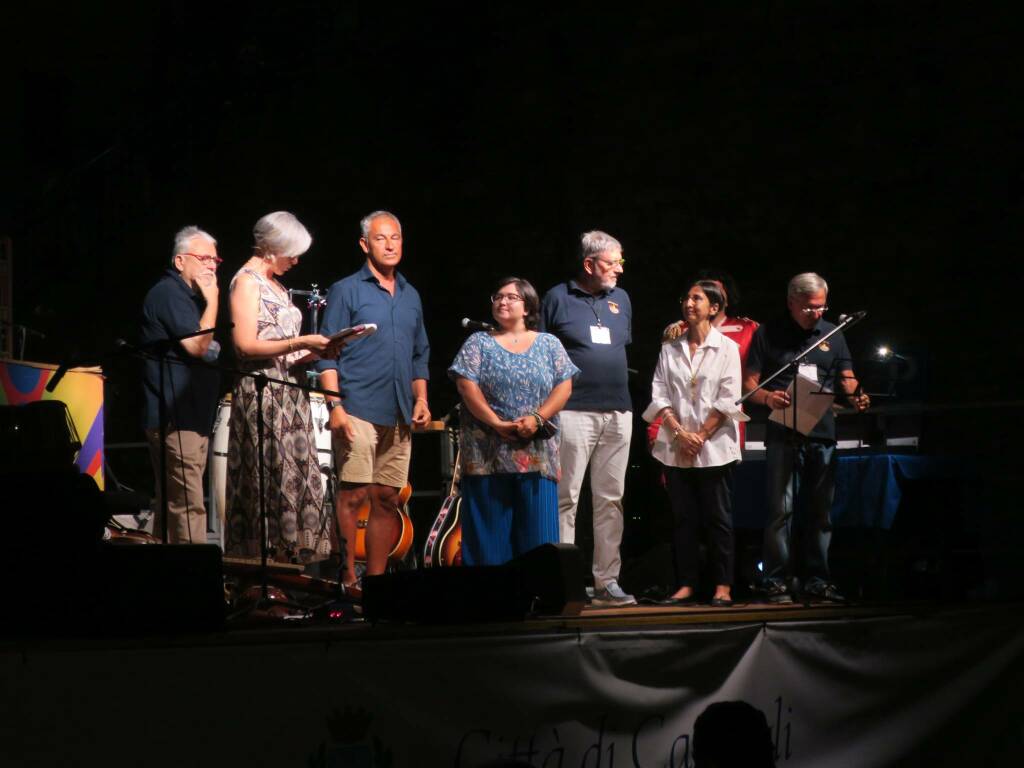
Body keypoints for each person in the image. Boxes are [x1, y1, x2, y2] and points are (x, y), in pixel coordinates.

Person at [317, 210, 431, 586]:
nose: (390, 244)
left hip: (399, 410)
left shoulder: (411, 295)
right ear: (365, 244)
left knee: (387, 498)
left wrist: (421, 399)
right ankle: (347, 576)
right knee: (354, 495)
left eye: (396, 237)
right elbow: (327, 352)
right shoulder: (346, 289)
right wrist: (335, 407)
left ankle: (377, 583)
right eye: (381, 238)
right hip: (358, 406)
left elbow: (420, 355)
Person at [744, 272, 871, 603]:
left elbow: (846, 378)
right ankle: (775, 580)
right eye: (809, 308)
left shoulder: (833, 333)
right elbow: (750, 384)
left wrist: (857, 394)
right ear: (791, 303)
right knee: (779, 510)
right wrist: (769, 398)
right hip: (784, 429)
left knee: (820, 513)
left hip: (822, 431)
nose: (817, 313)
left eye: (821, 306)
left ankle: (817, 578)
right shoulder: (768, 333)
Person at [224, 211, 337, 563]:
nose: (296, 260)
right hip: (264, 394)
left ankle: (289, 568)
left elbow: (284, 349)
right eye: (292, 251)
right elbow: (244, 345)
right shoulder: (246, 282)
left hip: (290, 392)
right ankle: (265, 574)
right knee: (268, 478)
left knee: (294, 477)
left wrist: (313, 351)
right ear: (273, 247)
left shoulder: (277, 284)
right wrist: (299, 341)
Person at [449, 277, 579, 565]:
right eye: (497, 297)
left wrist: (536, 418)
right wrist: (496, 423)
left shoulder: (549, 344)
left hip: (537, 454)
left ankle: (538, 600)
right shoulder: (478, 343)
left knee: (539, 539)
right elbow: (466, 385)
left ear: (528, 306)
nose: (502, 302)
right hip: (487, 455)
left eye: (511, 297)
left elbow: (564, 387)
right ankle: (493, 602)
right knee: (488, 540)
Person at [539, 231, 636, 607]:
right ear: (589, 264)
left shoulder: (621, 299)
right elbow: (543, 354)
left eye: (620, 262)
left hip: (618, 409)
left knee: (611, 499)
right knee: (567, 498)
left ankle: (607, 581)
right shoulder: (557, 298)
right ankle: (564, 582)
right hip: (573, 408)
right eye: (613, 262)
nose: (619, 269)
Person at [643, 280, 746, 606]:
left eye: (697, 298)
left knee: (718, 519)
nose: (689, 303)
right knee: (683, 519)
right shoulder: (669, 348)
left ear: (713, 308)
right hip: (676, 446)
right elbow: (659, 395)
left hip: (713, 446)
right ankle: (686, 583)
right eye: (686, 297)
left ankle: (723, 586)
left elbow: (729, 397)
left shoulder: (727, 347)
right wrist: (679, 433)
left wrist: (699, 435)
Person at [140, 225, 222, 543]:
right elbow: (197, 347)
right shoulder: (169, 293)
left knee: (173, 505)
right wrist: (213, 300)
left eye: (215, 260)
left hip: (191, 416)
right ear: (179, 261)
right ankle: (194, 582)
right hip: (176, 417)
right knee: (188, 508)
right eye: (203, 258)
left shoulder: (186, 298)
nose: (211, 266)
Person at [648, 270, 758, 450]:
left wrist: (701, 436)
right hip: (678, 424)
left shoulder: (747, 328)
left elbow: (745, 382)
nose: (690, 303)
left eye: (714, 289)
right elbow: (662, 389)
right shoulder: (678, 332)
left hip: (721, 422)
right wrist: (671, 431)